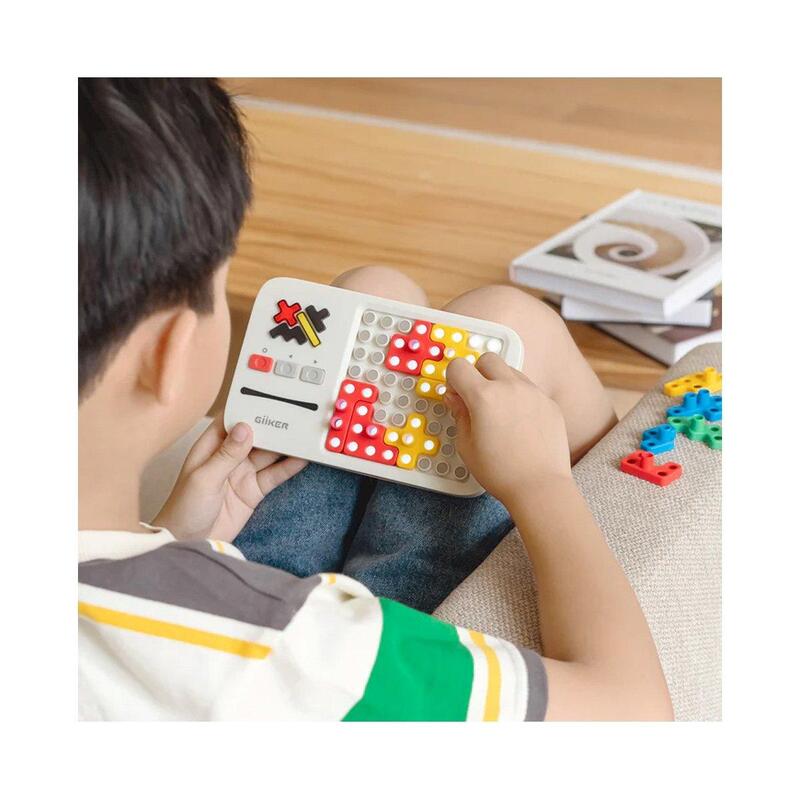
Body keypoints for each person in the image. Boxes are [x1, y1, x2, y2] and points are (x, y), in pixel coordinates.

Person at [78, 78, 672, 720]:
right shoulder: (305, 655)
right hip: (344, 649)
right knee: (508, 323)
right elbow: (634, 715)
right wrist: (541, 483)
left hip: (228, 581)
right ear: (168, 352)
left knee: (369, 296)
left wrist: (171, 540)